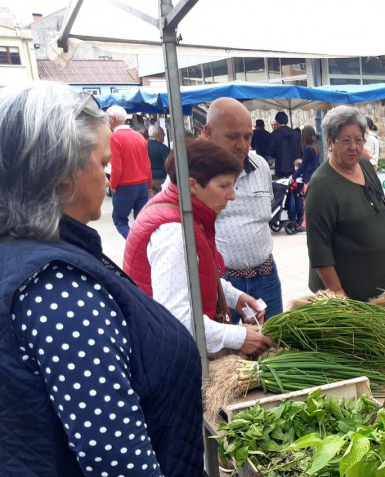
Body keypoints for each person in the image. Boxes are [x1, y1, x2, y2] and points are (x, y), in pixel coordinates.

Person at [0, 82, 209, 477]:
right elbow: (107, 433)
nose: (110, 176)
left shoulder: (33, 252)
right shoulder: (53, 283)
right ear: (63, 178)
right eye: (100, 162)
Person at [124, 137, 273, 359]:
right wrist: (239, 337)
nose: (232, 195)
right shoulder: (173, 233)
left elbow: (189, 277)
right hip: (166, 359)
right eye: (224, 186)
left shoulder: (175, 210)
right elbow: (178, 319)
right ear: (192, 185)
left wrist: (233, 296)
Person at [305, 106, 385, 301]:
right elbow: (319, 249)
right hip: (346, 300)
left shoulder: (365, 166)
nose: (354, 147)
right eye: (346, 141)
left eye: (359, 140)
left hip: (375, 293)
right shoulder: (322, 186)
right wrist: (340, 298)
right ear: (330, 143)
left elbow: (381, 209)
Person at [203, 97, 284, 318]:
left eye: (247, 136)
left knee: (274, 346)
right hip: (222, 284)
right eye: (232, 137)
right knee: (227, 349)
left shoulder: (261, 167)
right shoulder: (196, 175)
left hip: (266, 279)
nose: (242, 144)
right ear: (209, 133)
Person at [107, 104, 152, 238]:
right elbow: (147, 164)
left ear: (112, 118)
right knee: (142, 222)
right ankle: (146, 245)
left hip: (125, 186)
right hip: (142, 184)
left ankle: (135, 244)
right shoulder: (139, 137)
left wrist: (113, 185)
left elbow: (117, 167)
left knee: (120, 220)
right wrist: (149, 185)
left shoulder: (114, 137)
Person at [294, 125, 321, 230]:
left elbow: (304, 164)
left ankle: (305, 224)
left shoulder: (307, 148)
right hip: (314, 177)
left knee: (306, 203)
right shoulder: (315, 147)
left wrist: (294, 176)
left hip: (308, 178)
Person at [271, 110, 299, 178]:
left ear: (277, 122)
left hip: (280, 167)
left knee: (281, 187)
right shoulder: (296, 134)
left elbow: (271, 152)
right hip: (295, 167)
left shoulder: (274, 134)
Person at [147, 123, 169, 198]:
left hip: (148, 177)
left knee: (153, 199)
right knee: (164, 198)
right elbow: (168, 163)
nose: (164, 136)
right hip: (161, 178)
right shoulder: (163, 148)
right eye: (163, 134)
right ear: (158, 135)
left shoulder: (145, 145)